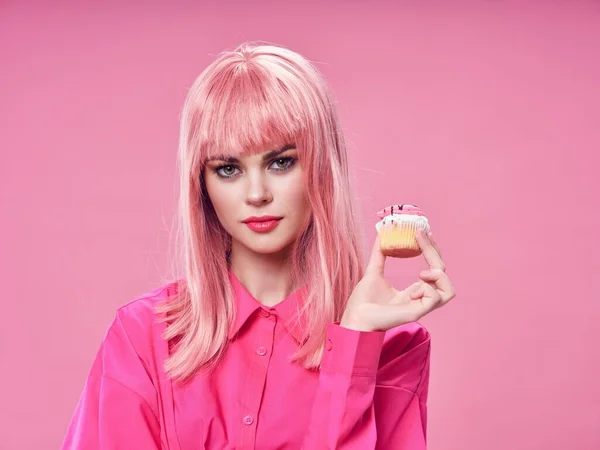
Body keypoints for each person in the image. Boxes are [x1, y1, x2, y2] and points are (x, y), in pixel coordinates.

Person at [61, 41, 455, 450]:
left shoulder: (391, 342)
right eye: (228, 168)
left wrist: (354, 343)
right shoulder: (141, 335)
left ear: (322, 166)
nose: (256, 193)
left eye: (281, 162)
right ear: (202, 183)